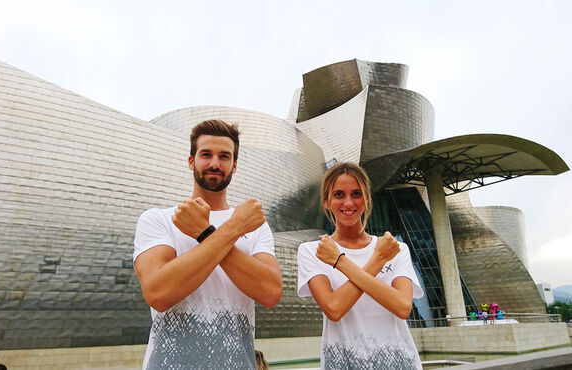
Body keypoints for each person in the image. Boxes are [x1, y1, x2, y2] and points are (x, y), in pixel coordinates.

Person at [133, 119, 282, 369]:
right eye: (206, 154)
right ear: (191, 161)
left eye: (224, 156)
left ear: (234, 166)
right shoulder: (158, 219)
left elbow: (270, 293)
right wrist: (232, 229)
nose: (215, 163)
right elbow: (158, 293)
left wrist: (205, 232)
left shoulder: (255, 226)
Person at [297, 162, 424, 369]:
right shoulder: (313, 251)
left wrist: (341, 262)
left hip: (399, 363)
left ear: (366, 200)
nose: (348, 202)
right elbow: (334, 308)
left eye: (356, 194)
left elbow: (402, 307)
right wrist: (378, 261)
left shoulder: (393, 249)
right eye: (339, 194)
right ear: (326, 202)